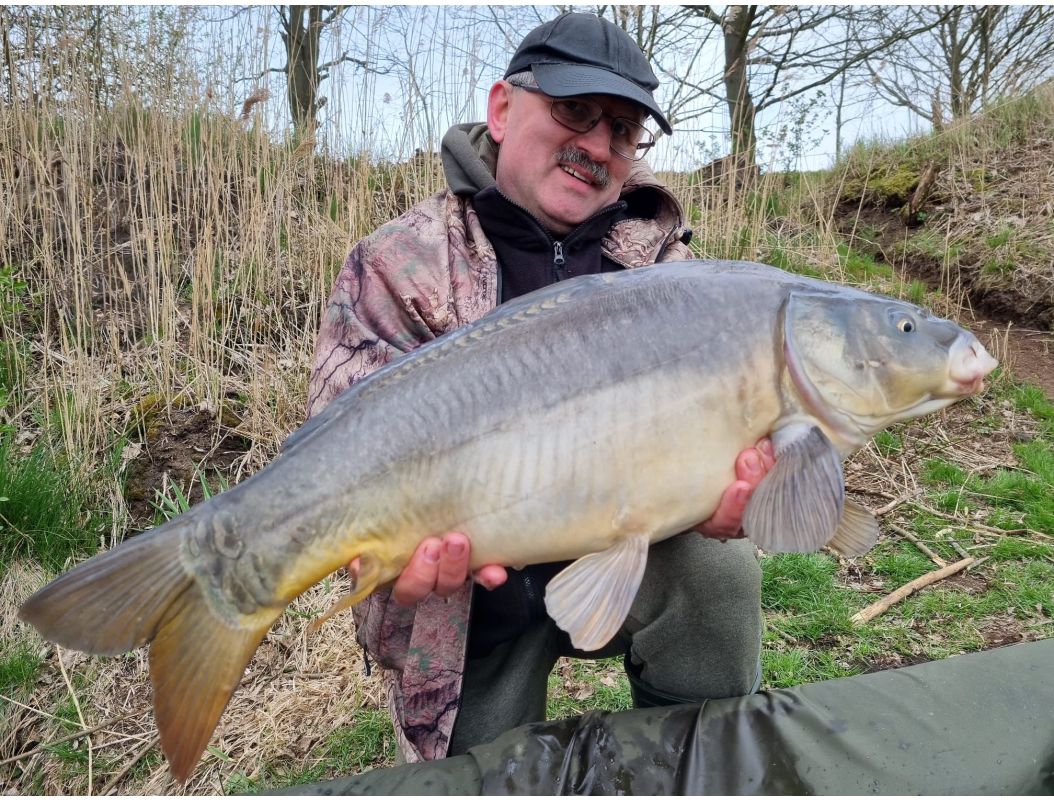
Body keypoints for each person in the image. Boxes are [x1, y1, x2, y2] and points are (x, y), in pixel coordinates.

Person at [306, 12, 774, 763]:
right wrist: (393, 551)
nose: (596, 145)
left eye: (622, 132)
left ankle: (697, 765)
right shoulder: (398, 262)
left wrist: (739, 493)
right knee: (476, 774)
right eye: (574, 111)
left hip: (623, 554)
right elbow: (341, 444)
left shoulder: (668, 276)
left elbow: (738, 449)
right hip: (463, 602)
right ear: (501, 108)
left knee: (718, 575)